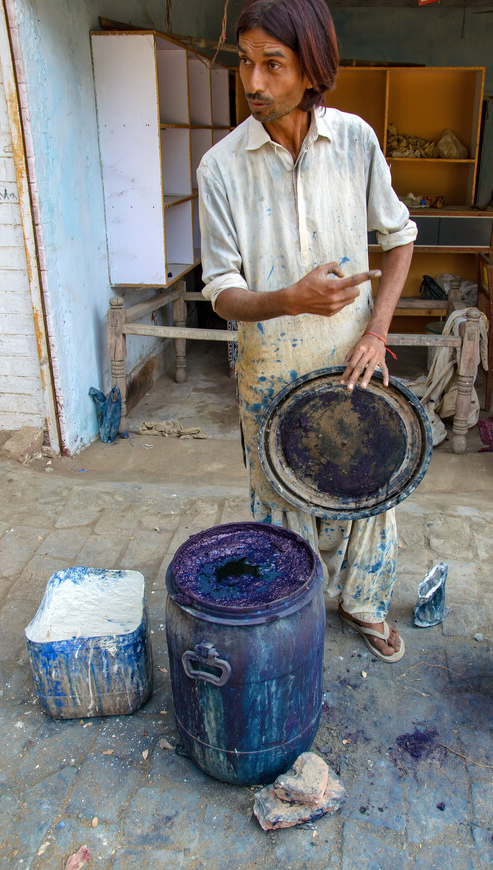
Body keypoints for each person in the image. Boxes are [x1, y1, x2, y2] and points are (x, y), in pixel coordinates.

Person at [197, 0, 417, 662]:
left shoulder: (353, 140)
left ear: (311, 67)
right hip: (268, 368)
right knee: (279, 499)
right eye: (246, 63)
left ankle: (364, 605)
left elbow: (400, 238)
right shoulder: (220, 167)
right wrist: (288, 298)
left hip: (352, 361)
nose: (254, 82)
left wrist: (375, 332)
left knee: (371, 491)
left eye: (273, 64)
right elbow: (220, 294)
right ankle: (290, 612)